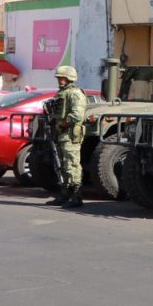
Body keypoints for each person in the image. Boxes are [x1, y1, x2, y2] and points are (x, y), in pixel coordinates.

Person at [45, 65, 88, 209]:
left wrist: (63, 124)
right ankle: (65, 193)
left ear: (69, 78)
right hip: (61, 133)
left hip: (70, 134)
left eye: (62, 77)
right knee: (62, 165)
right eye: (58, 77)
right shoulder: (62, 93)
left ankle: (76, 196)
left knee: (72, 165)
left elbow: (77, 115)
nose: (59, 80)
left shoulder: (75, 94)